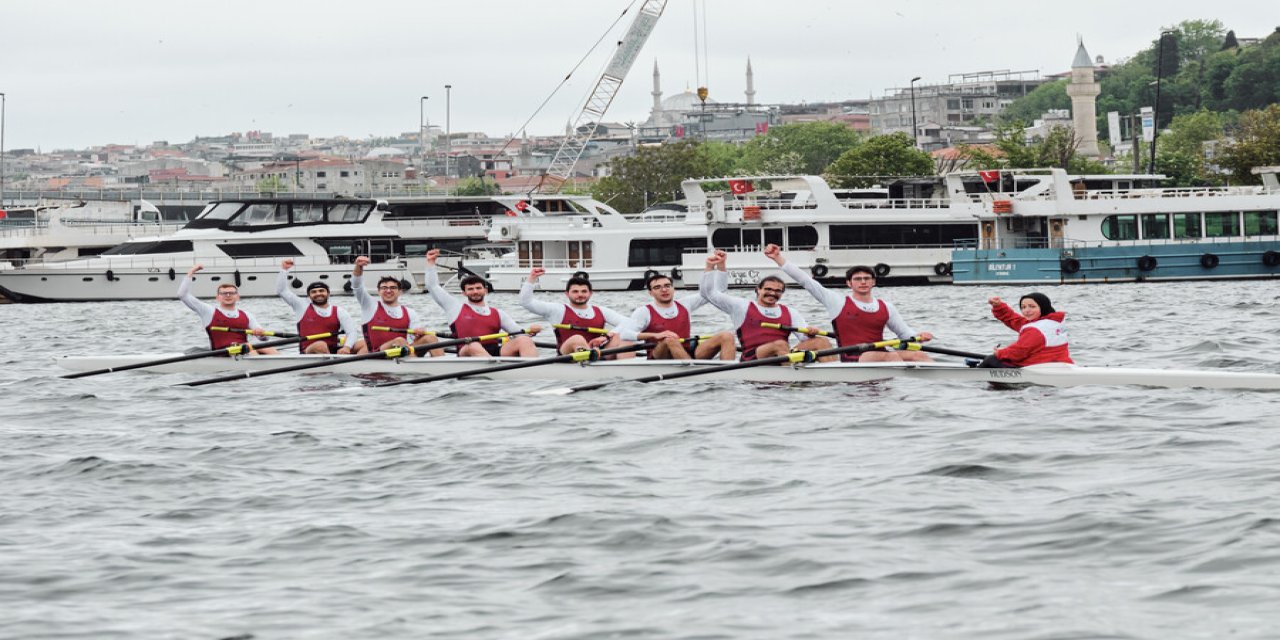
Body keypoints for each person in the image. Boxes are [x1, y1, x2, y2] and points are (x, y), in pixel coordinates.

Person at [766, 244, 934, 362]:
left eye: (867, 278)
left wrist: (920, 336)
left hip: (881, 356)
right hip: (855, 358)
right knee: (890, 356)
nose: (863, 282)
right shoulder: (837, 302)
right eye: (858, 279)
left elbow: (905, 335)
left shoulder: (887, 307)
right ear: (849, 283)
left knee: (919, 356)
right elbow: (806, 281)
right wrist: (778, 258)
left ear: (873, 282)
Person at [699, 249, 831, 362]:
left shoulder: (790, 312)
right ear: (758, 290)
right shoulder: (741, 306)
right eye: (768, 289)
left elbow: (804, 338)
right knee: (780, 345)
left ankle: (833, 377)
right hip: (753, 358)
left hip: (781, 354)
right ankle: (789, 382)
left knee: (822, 342)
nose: (772, 293)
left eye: (777, 291)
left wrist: (811, 332)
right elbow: (710, 294)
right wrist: (711, 267)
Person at [425, 249, 541, 357]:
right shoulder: (454, 307)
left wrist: (530, 332)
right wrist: (431, 263)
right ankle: (494, 368)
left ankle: (534, 370)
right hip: (467, 351)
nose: (475, 292)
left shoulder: (498, 313)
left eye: (478, 288)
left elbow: (518, 333)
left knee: (524, 341)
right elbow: (433, 287)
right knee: (473, 344)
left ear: (485, 290)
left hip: (494, 351)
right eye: (470, 289)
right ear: (464, 293)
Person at [616, 272, 736, 360]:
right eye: (657, 287)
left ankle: (728, 373)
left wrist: (721, 266)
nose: (664, 290)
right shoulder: (644, 311)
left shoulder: (685, 304)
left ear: (673, 289)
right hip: (660, 356)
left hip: (687, 351)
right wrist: (656, 335)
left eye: (667, 286)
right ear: (650, 293)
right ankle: (692, 371)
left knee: (727, 336)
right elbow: (625, 334)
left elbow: (717, 291)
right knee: (670, 339)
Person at [519, 267, 634, 357]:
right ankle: (588, 359)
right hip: (567, 354)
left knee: (625, 337)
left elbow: (630, 323)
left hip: (597, 353)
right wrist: (531, 278)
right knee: (577, 338)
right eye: (575, 291)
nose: (580, 294)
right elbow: (526, 302)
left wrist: (607, 336)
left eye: (584, 291)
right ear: (567, 294)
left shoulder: (601, 311)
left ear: (590, 293)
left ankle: (627, 371)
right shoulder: (557, 310)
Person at [178, 264, 278, 354]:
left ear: (238, 297)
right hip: (221, 352)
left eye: (232, 293)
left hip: (243, 350)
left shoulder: (247, 315)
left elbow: (264, 338)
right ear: (217, 297)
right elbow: (183, 295)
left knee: (268, 347)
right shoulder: (208, 311)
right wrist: (191, 272)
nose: (228, 295)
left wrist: (261, 334)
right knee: (249, 347)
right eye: (224, 293)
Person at [351, 255, 439, 356]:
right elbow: (357, 286)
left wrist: (419, 333)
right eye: (384, 288)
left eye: (393, 288)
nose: (388, 290)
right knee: (399, 341)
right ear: (379, 292)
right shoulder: (370, 305)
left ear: (400, 292)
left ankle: (443, 365)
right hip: (377, 352)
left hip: (402, 351)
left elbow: (414, 339)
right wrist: (358, 267)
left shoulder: (410, 313)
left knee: (431, 338)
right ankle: (415, 369)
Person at [277, 259, 363, 354]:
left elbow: (352, 332)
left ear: (328, 293)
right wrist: (284, 270)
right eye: (314, 292)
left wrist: (347, 347)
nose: (318, 294)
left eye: (321, 291)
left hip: (333, 351)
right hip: (309, 351)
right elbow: (282, 291)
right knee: (321, 345)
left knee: (365, 343)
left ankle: (356, 366)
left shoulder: (339, 311)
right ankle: (336, 365)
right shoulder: (301, 306)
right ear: (309, 296)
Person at [982, 293, 1072, 367]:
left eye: (1032, 306)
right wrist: (998, 306)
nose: (1027, 311)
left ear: (1043, 306)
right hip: (1062, 363)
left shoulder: (1035, 330)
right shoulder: (1055, 322)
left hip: (1038, 366)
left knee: (991, 359)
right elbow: (1013, 320)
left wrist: (1000, 353)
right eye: (1023, 307)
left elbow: (1018, 352)